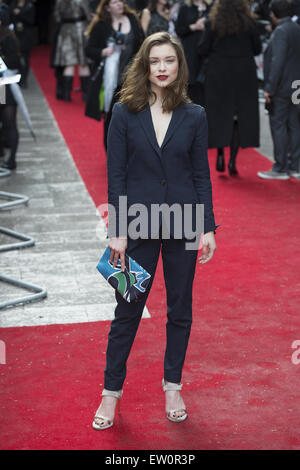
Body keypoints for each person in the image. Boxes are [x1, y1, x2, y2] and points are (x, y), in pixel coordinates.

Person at [92, 31, 218, 430]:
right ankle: (110, 395)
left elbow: (201, 175)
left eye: (170, 61)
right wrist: (118, 229)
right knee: (126, 311)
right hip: (138, 224)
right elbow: (117, 175)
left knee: (181, 310)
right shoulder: (124, 112)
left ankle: (173, 386)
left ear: (179, 66)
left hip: (183, 223)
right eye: (155, 61)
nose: (162, 68)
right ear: (145, 66)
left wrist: (208, 227)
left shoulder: (195, 114)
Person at [198, 0, 262, 175]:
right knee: (239, 117)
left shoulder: (213, 22)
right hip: (244, 74)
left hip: (219, 73)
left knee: (219, 115)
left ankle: (220, 154)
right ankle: (233, 160)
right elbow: (257, 48)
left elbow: (203, 48)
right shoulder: (249, 23)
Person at [85, 0, 144, 149]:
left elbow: (142, 44)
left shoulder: (132, 20)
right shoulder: (101, 25)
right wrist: (103, 52)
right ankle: (112, 154)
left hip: (132, 78)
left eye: (121, 1)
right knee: (111, 118)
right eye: (115, 1)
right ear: (107, 7)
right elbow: (89, 49)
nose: (119, 4)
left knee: (134, 117)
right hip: (110, 81)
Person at [257, 0, 300, 180]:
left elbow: (278, 62)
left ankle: (280, 167)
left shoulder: (281, 31)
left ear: (274, 14)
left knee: (279, 125)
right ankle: (294, 166)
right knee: (294, 125)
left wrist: (269, 88)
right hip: (296, 85)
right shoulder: (297, 28)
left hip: (282, 87)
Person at [53, 0, 91, 102]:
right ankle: (86, 95)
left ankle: (66, 95)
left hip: (65, 31)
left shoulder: (59, 1)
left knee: (68, 63)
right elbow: (88, 16)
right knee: (83, 63)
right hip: (80, 30)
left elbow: (57, 17)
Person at [175, 0, 211, 106]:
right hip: (190, 52)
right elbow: (179, 30)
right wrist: (194, 26)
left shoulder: (211, 8)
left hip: (207, 54)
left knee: (206, 85)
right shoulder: (185, 8)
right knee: (191, 85)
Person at [0, 2, 21, 170]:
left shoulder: (8, 37)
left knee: (9, 122)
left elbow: (15, 62)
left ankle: (12, 158)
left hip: (3, 86)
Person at [8, 0, 35, 88]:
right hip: (15, 34)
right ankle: (17, 78)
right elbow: (8, 18)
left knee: (25, 57)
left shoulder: (29, 6)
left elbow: (32, 20)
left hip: (25, 35)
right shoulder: (12, 4)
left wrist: (20, 14)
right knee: (16, 57)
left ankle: (24, 79)